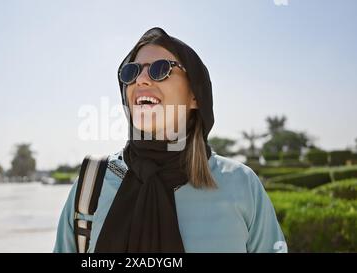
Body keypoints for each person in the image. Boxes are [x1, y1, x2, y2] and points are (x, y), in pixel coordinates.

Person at [54, 27, 287, 253]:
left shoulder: (241, 184)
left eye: (160, 69)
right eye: (130, 72)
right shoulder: (92, 183)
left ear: (195, 95)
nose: (141, 80)